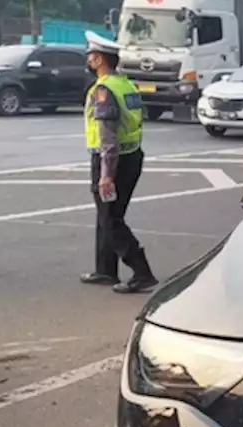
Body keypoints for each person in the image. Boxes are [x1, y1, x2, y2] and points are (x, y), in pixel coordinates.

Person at [79, 31, 157, 294]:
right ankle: (105, 269)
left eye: (91, 54)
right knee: (108, 215)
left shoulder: (104, 90)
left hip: (112, 161)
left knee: (111, 218)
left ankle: (142, 271)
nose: (88, 58)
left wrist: (106, 174)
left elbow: (108, 137)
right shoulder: (126, 84)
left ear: (99, 59)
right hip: (132, 156)